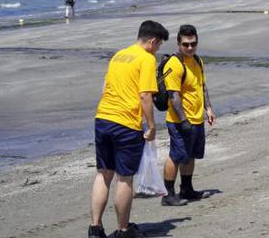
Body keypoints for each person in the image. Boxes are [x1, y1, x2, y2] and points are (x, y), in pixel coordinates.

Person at [90, 20, 168, 238]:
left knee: (103, 174)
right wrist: (151, 126)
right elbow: (145, 95)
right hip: (125, 124)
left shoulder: (119, 55)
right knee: (124, 178)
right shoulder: (146, 59)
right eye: (159, 44)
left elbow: (105, 87)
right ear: (152, 41)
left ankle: (95, 229)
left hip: (103, 118)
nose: (158, 49)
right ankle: (124, 230)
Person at [161, 24, 216, 206]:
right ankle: (168, 194)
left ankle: (187, 189)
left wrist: (208, 108)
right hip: (179, 120)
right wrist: (183, 121)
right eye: (186, 44)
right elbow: (173, 95)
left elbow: (202, 86)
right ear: (178, 43)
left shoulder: (198, 61)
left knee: (190, 155)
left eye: (193, 44)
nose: (190, 48)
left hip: (197, 117)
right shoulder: (175, 64)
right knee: (176, 156)